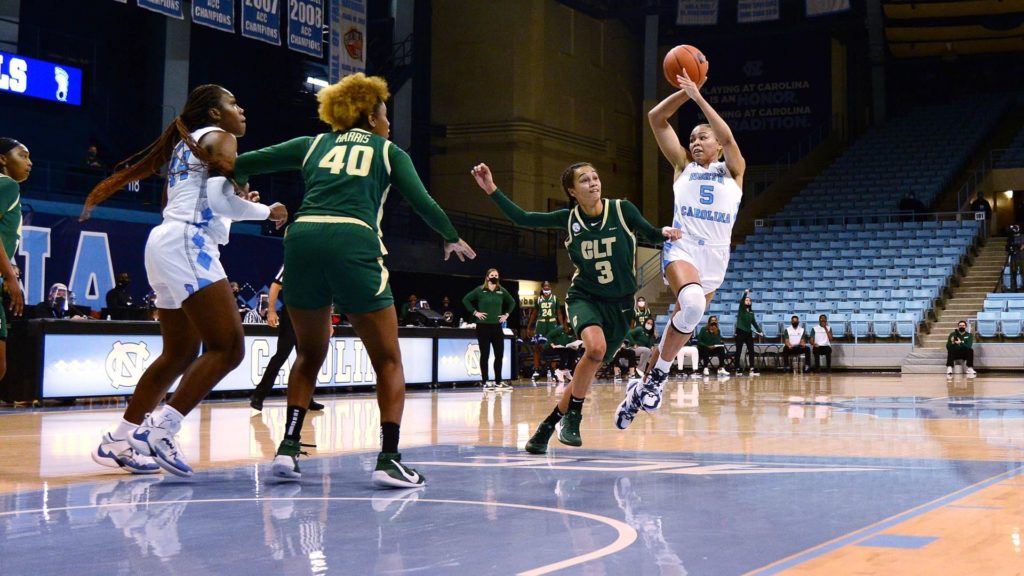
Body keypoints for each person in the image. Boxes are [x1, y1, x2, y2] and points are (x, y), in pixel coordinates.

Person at [233, 73, 476, 486]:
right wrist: (451, 237)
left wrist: (234, 181)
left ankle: (288, 449)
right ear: (369, 116)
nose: (388, 124)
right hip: (353, 238)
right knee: (387, 359)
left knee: (309, 354)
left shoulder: (312, 144)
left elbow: (243, 162)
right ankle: (389, 458)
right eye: (384, 116)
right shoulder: (387, 151)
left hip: (303, 238)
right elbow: (423, 202)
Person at [84, 84, 288, 477]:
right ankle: (160, 428)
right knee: (228, 348)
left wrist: (238, 198)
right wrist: (268, 210)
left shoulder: (187, 145)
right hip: (188, 245)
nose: (241, 109)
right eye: (233, 102)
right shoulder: (221, 138)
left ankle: (120, 439)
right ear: (214, 113)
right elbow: (218, 202)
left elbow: (199, 200)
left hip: (164, 241)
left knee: (178, 354)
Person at [470, 161, 680, 453]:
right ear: (572, 190)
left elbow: (650, 233)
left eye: (595, 177)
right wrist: (491, 189)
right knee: (593, 350)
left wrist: (666, 232)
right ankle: (574, 417)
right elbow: (522, 217)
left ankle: (547, 426)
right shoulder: (567, 219)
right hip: (585, 296)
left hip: (620, 306)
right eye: (584, 180)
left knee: (589, 368)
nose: (593, 182)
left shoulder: (622, 210)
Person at [621, 68, 744, 429]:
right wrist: (686, 94)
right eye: (691, 137)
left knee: (685, 320)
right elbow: (655, 118)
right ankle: (657, 380)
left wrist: (700, 97)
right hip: (683, 248)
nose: (695, 141)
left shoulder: (734, 170)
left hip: (716, 258)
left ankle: (644, 387)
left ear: (718, 146)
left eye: (703, 137)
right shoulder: (682, 167)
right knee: (690, 305)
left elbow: (728, 135)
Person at [250, 265, 323, 412]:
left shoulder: (320, 263)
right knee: (282, 354)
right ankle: (258, 395)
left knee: (308, 358)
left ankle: (307, 398)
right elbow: (275, 285)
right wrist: (271, 311)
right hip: (292, 312)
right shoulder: (292, 259)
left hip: (310, 314)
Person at [0, 137, 28, 383]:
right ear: (3, 159)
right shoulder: (7, 184)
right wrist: (10, 276)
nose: (29, 162)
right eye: (23, 155)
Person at [462, 268, 517, 389]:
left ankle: (498, 381)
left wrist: (506, 315)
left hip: (497, 327)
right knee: (485, 354)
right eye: (492, 275)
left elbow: (512, 302)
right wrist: (475, 312)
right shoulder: (480, 290)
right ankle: (485, 381)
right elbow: (466, 300)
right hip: (483, 327)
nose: (494, 277)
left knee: (499, 354)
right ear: (487, 277)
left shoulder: (501, 291)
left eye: (496, 275)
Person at [528, 280, 563, 379]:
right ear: (542, 287)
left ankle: (554, 370)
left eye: (548, 285)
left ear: (550, 287)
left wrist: (562, 326)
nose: (547, 287)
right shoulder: (538, 299)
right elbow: (534, 314)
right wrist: (529, 326)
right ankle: (536, 369)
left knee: (554, 346)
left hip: (552, 323)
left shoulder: (555, 299)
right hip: (541, 324)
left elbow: (559, 313)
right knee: (537, 346)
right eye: (545, 286)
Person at [735, 289, 762, 376]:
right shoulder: (741, 309)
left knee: (751, 350)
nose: (748, 301)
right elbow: (742, 300)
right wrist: (746, 293)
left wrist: (759, 330)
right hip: (740, 332)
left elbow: (754, 323)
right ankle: (737, 368)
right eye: (746, 300)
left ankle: (752, 369)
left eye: (749, 300)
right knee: (738, 350)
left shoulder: (751, 312)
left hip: (748, 333)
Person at [1007, 224, 1024, 292]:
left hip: (1022, 257)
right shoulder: (1011, 237)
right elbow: (1009, 246)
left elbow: (1022, 246)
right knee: (1013, 273)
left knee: (1023, 272)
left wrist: (1019, 248)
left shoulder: (1022, 236)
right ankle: (1014, 288)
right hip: (1013, 257)